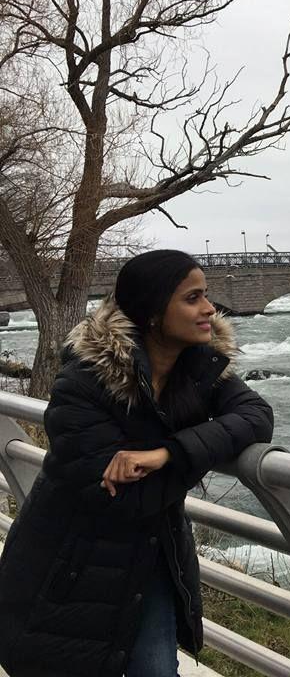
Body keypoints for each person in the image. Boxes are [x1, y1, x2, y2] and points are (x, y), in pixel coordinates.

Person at [0, 250, 274, 677]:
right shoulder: (83, 382)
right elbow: (125, 499)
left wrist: (170, 452)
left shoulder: (201, 367)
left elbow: (257, 416)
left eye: (207, 295)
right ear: (151, 312)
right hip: (68, 564)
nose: (209, 309)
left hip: (152, 559)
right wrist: (201, 450)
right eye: (193, 298)